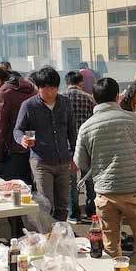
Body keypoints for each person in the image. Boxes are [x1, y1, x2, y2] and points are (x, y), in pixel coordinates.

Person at [74, 77, 136, 271]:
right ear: (117, 96)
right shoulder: (130, 118)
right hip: (133, 191)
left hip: (105, 193)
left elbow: (81, 163)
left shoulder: (87, 126)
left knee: (110, 243)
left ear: (94, 98)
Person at [15, 66, 77, 221]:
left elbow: (72, 130)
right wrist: (22, 139)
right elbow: (17, 130)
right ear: (38, 87)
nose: (49, 92)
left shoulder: (65, 103)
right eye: (45, 88)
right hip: (41, 161)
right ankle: (47, 233)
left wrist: (75, 155)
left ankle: (61, 232)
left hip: (63, 160)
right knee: (46, 203)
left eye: (53, 88)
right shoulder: (29, 105)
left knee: (63, 204)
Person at [0, 67, 36, 181]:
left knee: (11, 185)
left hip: (13, 148)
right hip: (34, 145)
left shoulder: (3, 93)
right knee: (29, 185)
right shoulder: (32, 88)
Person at [62, 71, 96, 224]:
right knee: (88, 179)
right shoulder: (89, 98)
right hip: (86, 144)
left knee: (71, 181)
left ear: (66, 83)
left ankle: (73, 214)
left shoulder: (61, 99)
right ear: (81, 82)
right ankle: (92, 211)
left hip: (66, 144)